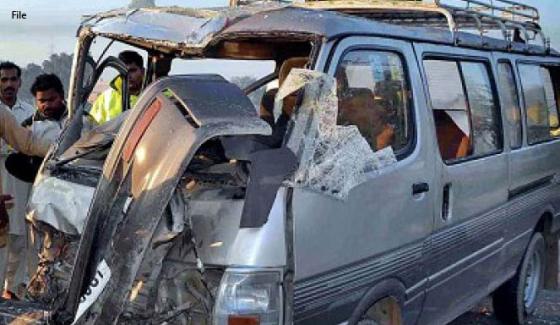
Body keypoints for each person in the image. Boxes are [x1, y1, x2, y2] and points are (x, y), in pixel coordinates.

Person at [0, 61, 35, 299]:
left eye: (13, 79)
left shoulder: (30, 113)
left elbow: (29, 145)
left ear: (20, 82)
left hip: (21, 180)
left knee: (20, 237)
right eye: (4, 80)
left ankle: (13, 292)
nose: (9, 84)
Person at [6, 74, 67, 183]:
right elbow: (13, 161)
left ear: (61, 96)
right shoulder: (29, 127)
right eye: (42, 101)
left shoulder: (81, 120)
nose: (47, 105)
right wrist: (40, 178)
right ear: (36, 101)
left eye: (51, 99)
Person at [89, 50, 145, 125]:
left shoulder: (155, 95)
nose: (128, 76)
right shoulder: (105, 98)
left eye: (132, 70)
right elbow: (92, 129)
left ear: (142, 71)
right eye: (124, 71)